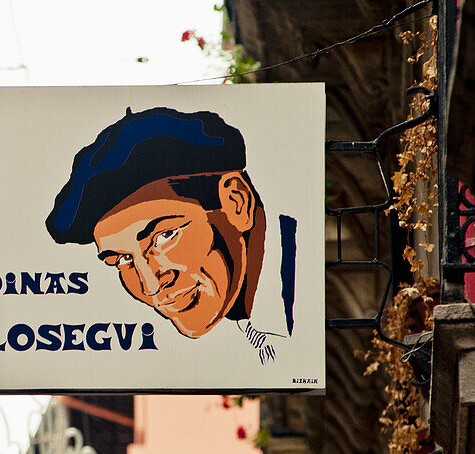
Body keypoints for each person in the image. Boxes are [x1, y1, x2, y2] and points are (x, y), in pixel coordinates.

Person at [46, 106, 296, 362]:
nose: (151, 286)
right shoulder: (255, 330)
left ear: (236, 202)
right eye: (123, 260)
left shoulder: (307, 298)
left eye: (164, 237)